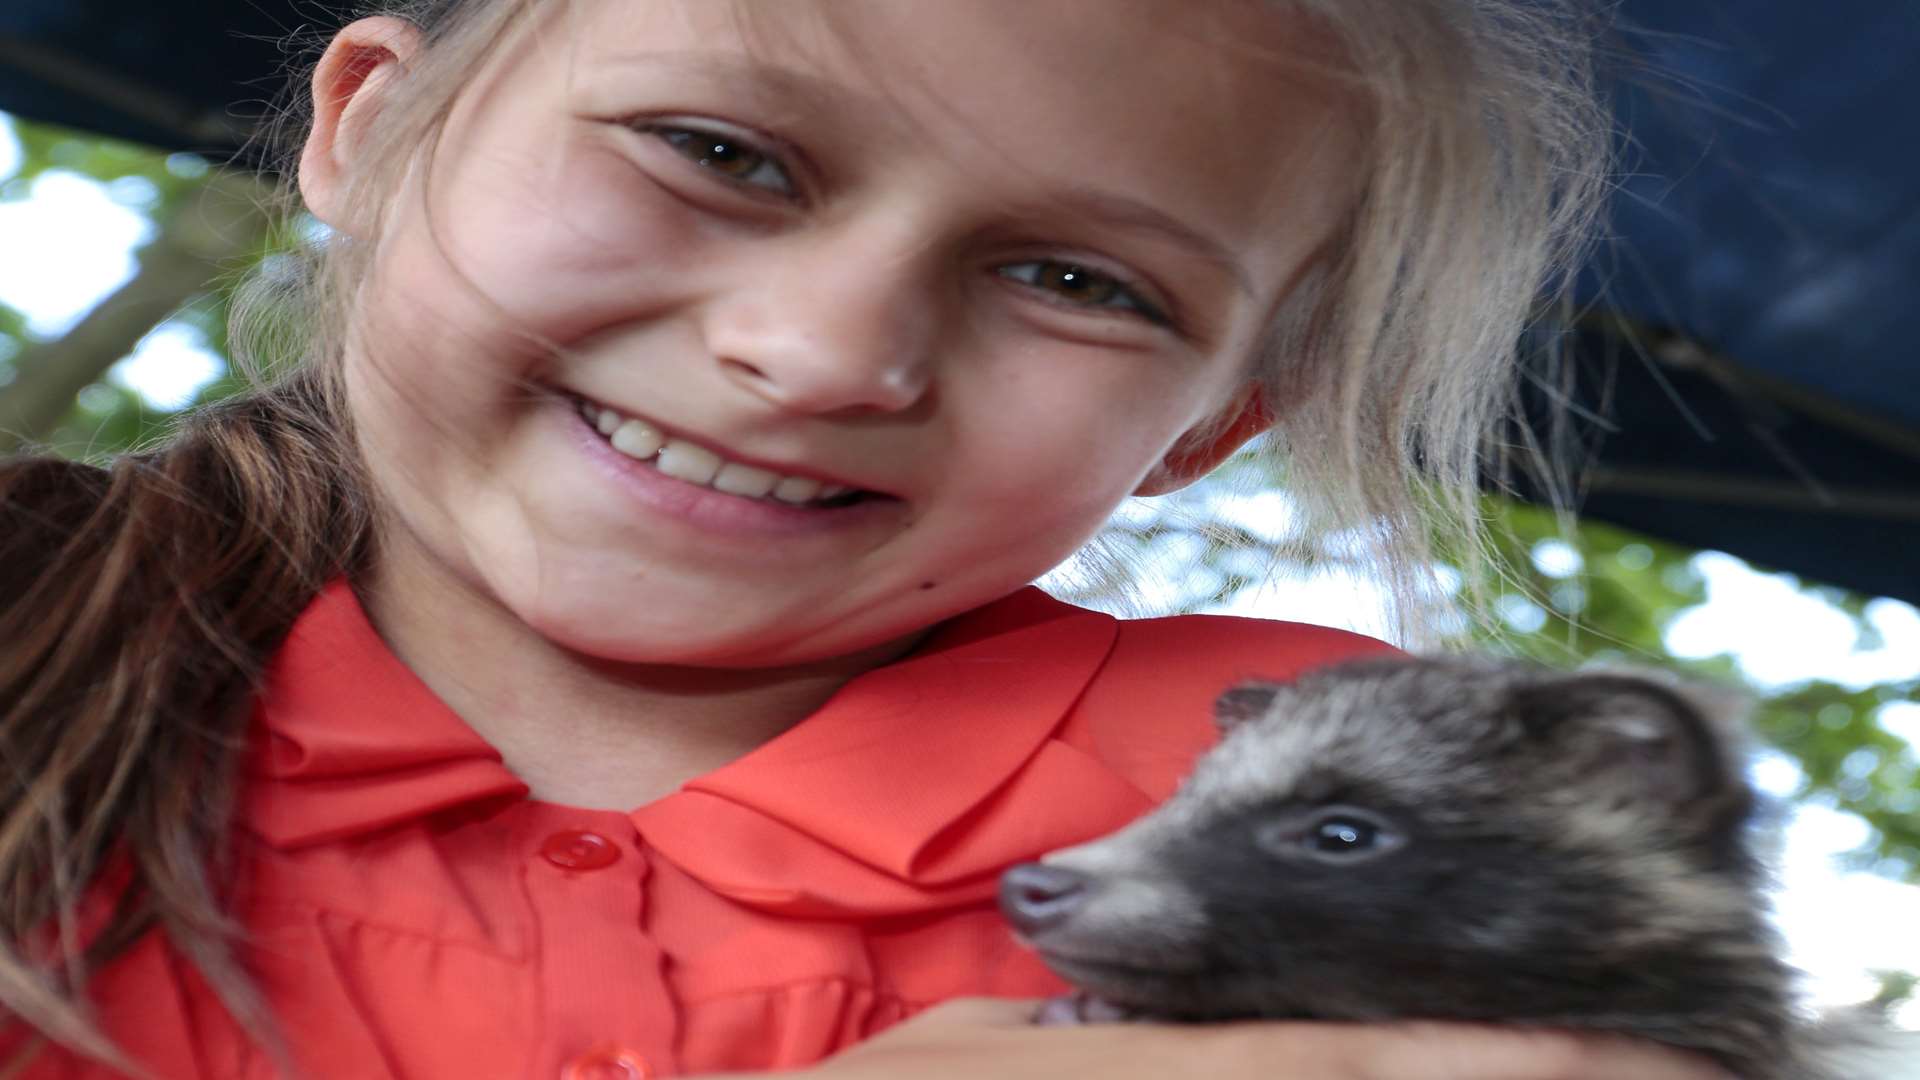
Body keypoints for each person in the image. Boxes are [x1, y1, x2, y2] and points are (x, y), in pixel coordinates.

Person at [0, 1, 1728, 1077]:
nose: (828, 353)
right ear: (371, 125)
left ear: (1207, 427)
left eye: (1077, 282)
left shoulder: (1334, 765)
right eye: (719, 152)